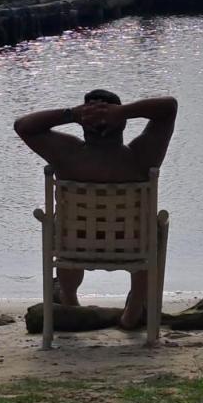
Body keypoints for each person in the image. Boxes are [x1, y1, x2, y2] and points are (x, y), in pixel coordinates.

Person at [14, 90, 178, 330]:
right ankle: (133, 312)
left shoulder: (67, 155)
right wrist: (123, 112)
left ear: (83, 125)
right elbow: (169, 108)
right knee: (154, 230)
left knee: (65, 226)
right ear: (121, 125)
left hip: (76, 245)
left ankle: (69, 298)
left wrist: (71, 114)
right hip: (131, 243)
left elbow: (23, 126)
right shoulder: (142, 157)